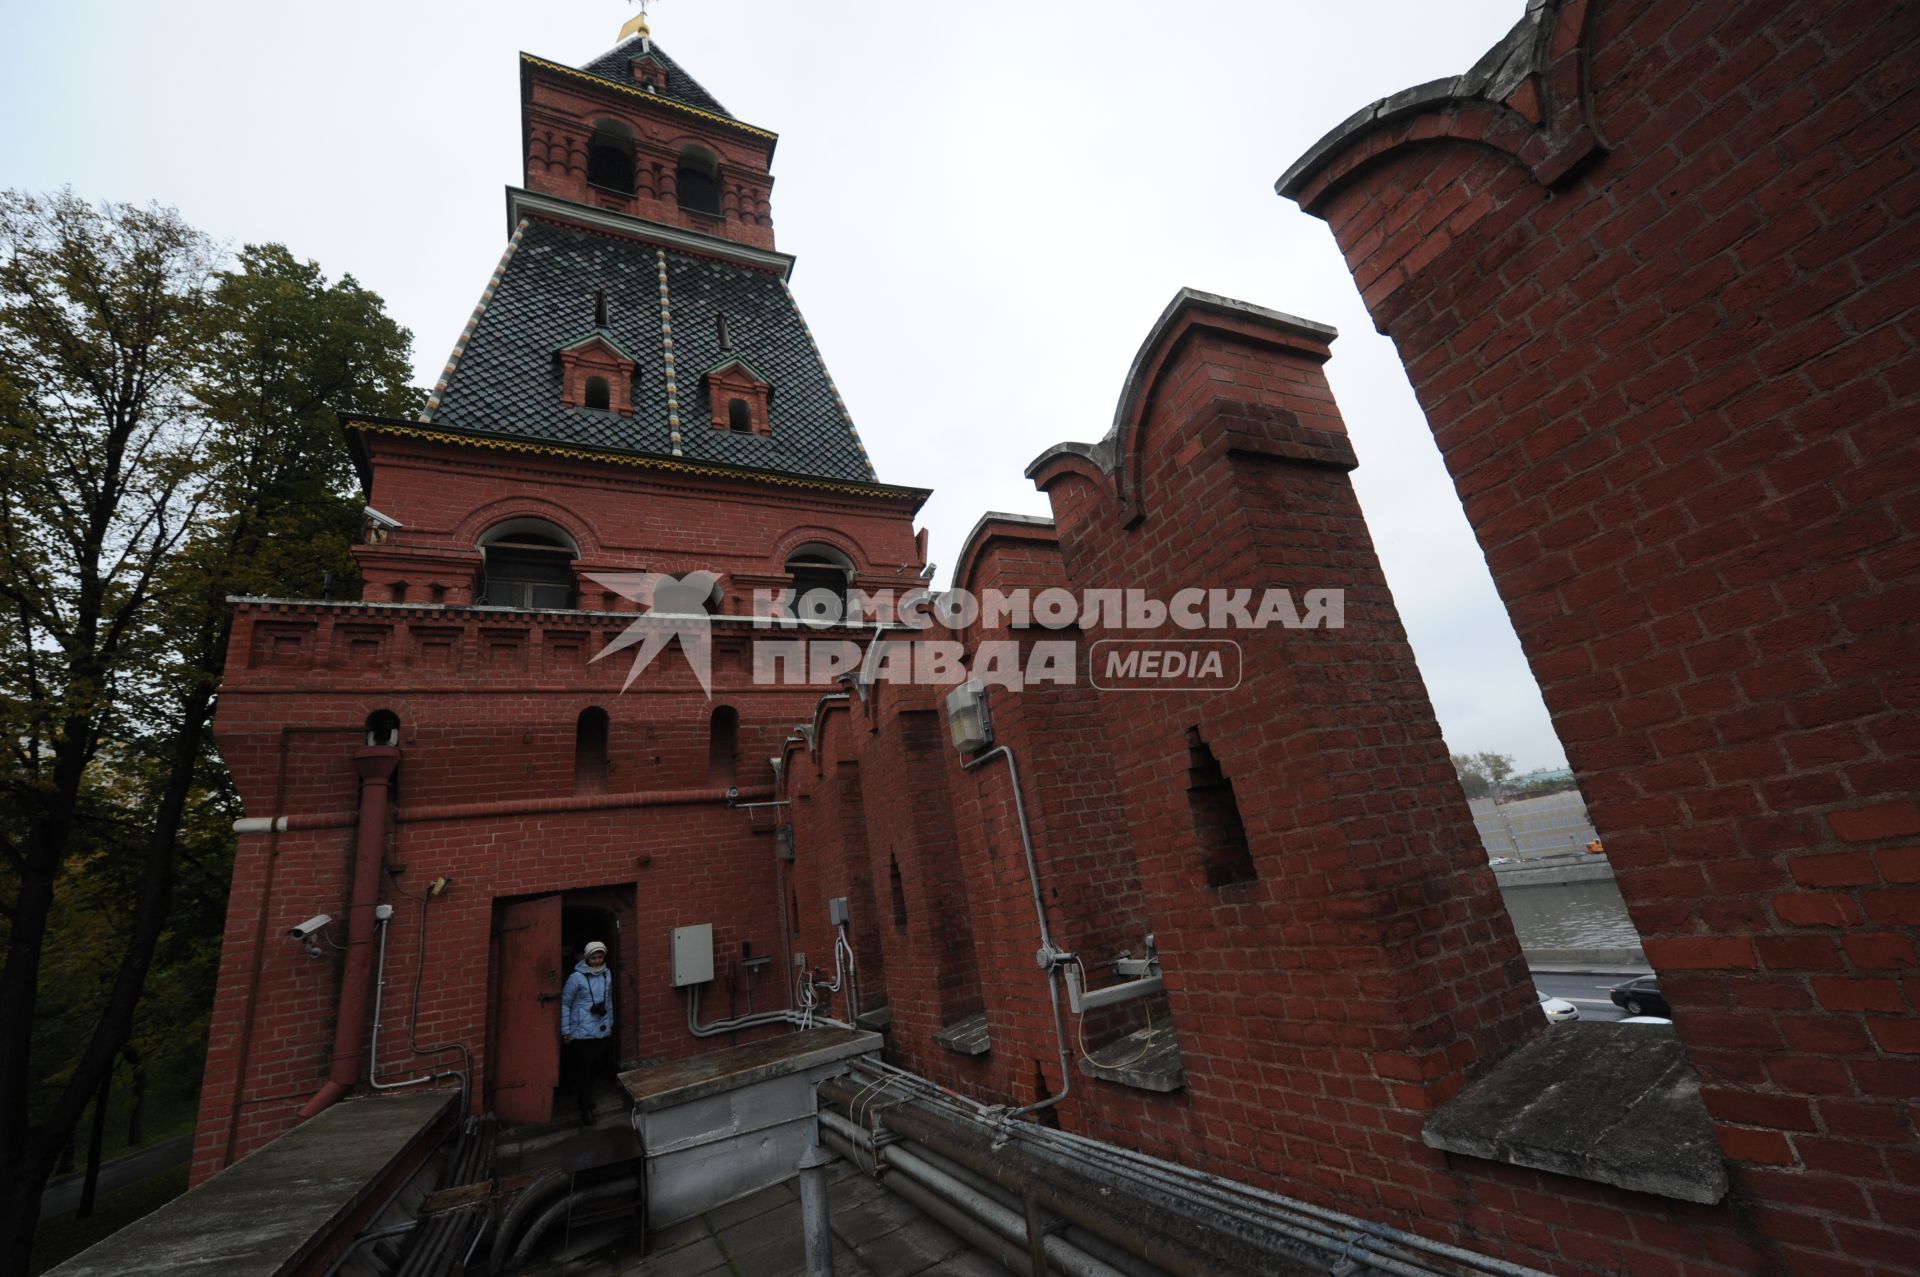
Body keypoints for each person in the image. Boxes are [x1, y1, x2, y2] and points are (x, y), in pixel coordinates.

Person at [561, 939, 616, 1124]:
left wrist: (610, 1024)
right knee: (586, 1067)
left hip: (600, 1027)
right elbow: (566, 1003)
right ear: (587, 958)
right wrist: (566, 1030)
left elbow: (608, 1002)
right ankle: (585, 1108)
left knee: (596, 1066)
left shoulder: (607, 974)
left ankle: (585, 1099)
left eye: (600, 957)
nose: (598, 961)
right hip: (581, 1030)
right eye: (594, 957)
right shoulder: (576, 977)